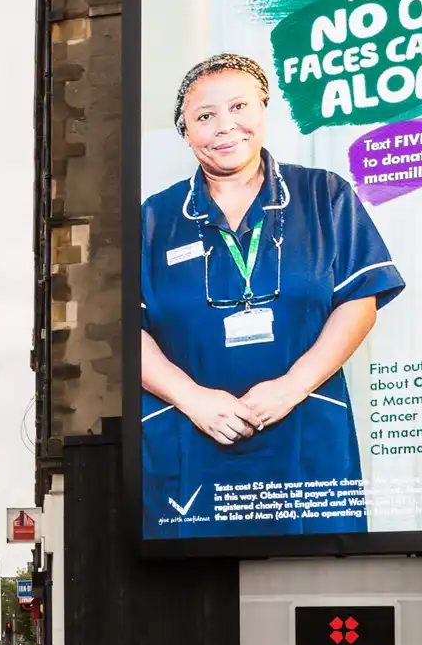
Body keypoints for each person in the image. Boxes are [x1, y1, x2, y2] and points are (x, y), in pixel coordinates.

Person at [139, 53, 403, 538]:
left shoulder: (325, 196)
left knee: (317, 583)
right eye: (204, 116)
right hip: (191, 443)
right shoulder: (153, 219)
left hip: (303, 431)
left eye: (239, 106)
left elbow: (360, 300)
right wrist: (192, 399)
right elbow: (126, 332)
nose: (225, 127)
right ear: (185, 132)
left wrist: (294, 385)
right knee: (193, 592)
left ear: (263, 108)